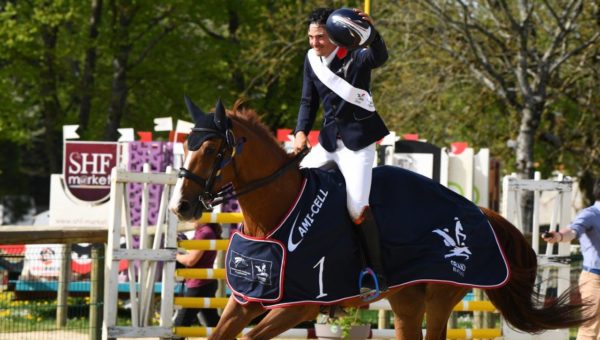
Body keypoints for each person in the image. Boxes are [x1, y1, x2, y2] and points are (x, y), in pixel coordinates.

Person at [292, 7, 390, 292]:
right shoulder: (312, 60)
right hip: (327, 142)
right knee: (294, 186)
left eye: (320, 37)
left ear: (336, 36)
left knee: (357, 207)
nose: (314, 43)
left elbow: (379, 56)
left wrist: (371, 35)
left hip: (357, 144)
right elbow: (307, 102)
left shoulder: (357, 54)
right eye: (311, 37)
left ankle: (376, 273)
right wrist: (300, 132)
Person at [543, 179, 600, 339]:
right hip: (595, 280)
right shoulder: (590, 214)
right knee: (590, 329)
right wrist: (560, 236)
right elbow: (573, 231)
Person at [173, 222, 221, 330]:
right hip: (204, 283)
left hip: (199, 284)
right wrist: (183, 243)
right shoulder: (203, 231)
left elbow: (190, 261)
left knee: (180, 325)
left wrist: (174, 255)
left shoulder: (205, 233)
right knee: (214, 323)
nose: (191, 219)